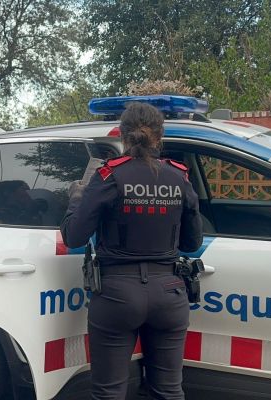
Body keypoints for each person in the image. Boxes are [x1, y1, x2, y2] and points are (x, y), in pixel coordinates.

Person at [61, 102, 203, 400]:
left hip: (116, 295)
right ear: (160, 136)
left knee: (109, 392)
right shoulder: (179, 177)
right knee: (167, 391)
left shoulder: (108, 175)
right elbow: (191, 244)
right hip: (169, 293)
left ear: (123, 136)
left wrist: (76, 197)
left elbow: (74, 235)